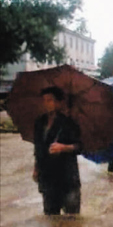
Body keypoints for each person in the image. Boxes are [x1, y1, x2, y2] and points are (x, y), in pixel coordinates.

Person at [33, 86, 82, 215]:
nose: (46, 104)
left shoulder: (69, 123)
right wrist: (36, 168)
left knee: (72, 221)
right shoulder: (39, 123)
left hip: (67, 179)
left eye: (49, 100)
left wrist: (64, 147)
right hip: (47, 179)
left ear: (59, 103)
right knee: (51, 219)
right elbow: (38, 148)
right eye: (44, 100)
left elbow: (80, 146)